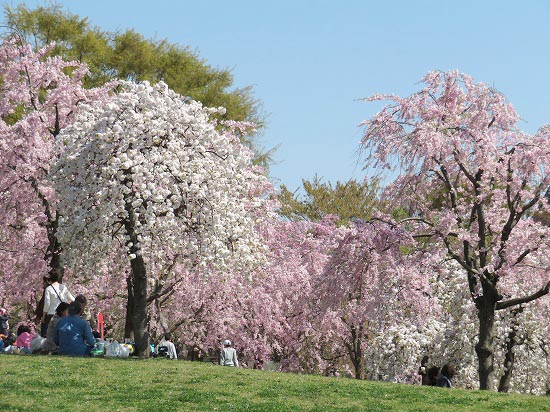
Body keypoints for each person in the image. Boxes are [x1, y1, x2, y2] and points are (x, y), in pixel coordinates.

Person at [42, 272, 74, 336]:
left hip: (51, 313)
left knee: (50, 334)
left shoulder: (48, 289)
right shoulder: (63, 287)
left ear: (49, 279)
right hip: (63, 314)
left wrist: (43, 316)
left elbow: (47, 303)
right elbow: (73, 299)